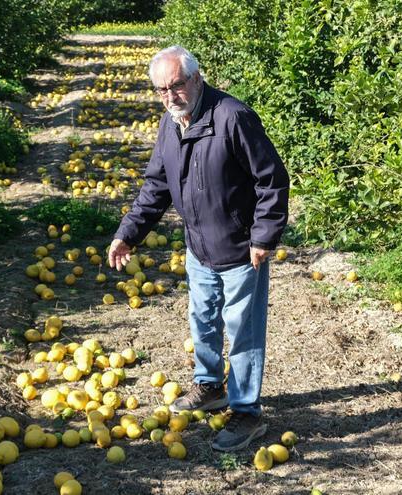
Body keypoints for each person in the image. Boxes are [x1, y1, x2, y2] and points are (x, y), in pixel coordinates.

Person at [108, 45, 289, 452]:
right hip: (199, 248)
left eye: (176, 85)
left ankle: (246, 412)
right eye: (161, 89)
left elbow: (271, 179)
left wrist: (262, 237)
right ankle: (210, 387)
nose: (170, 95)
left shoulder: (232, 117)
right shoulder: (170, 124)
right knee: (203, 322)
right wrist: (128, 233)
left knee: (244, 332)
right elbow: (156, 185)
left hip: (240, 249)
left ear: (196, 78)